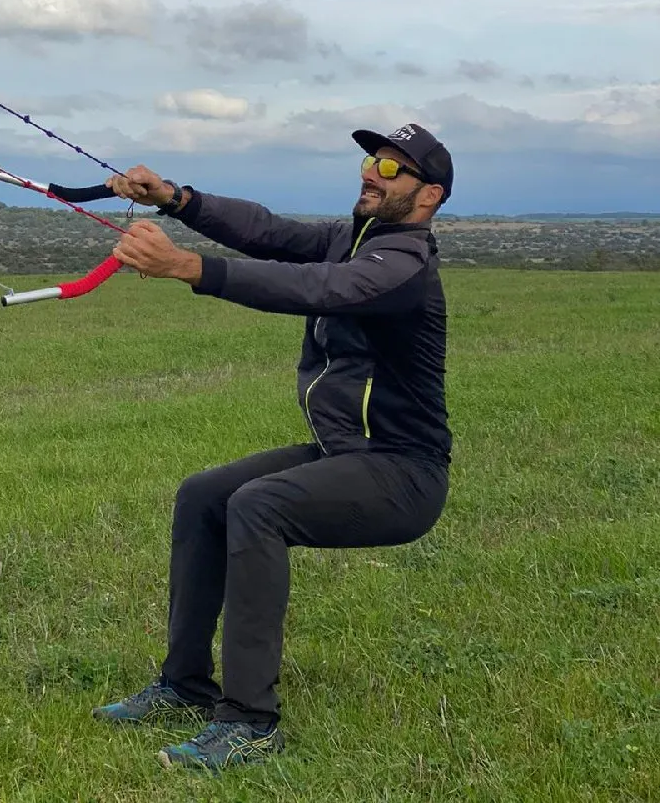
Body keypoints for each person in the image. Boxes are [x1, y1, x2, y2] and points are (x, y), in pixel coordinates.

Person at [91, 122, 455, 774]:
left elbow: (313, 289)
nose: (371, 173)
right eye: (372, 161)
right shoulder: (348, 240)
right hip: (347, 454)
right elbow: (264, 230)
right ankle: (184, 683)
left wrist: (186, 266)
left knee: (259, 505)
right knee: (204, 494)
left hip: (403, 471)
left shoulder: (402, 266)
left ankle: (250, 722)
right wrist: (175, 197)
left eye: (392, 170)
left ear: (427, 195)